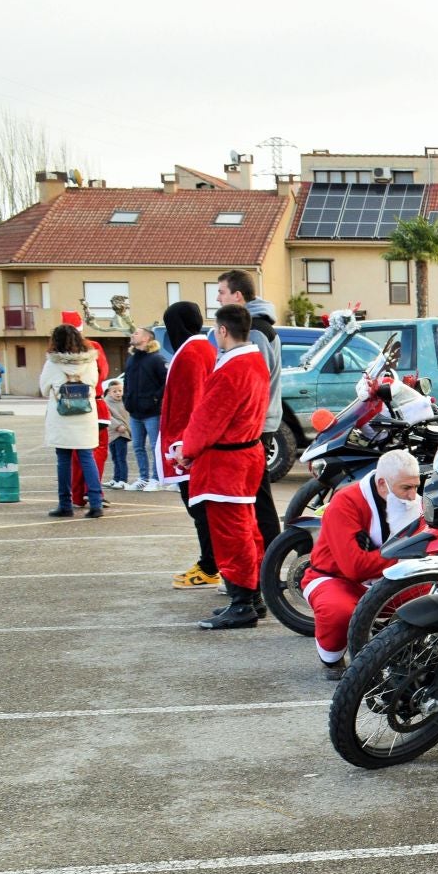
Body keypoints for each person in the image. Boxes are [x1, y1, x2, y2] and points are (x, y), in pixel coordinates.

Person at [170, 303, 270, 630]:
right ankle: (253, 597)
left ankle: (242, 604)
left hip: (226, 463)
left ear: (223, 330)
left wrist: (186, 450)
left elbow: (207, 417)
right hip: (247, 455)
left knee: (231, 534)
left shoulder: (232, 368)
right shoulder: (255, 361)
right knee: (247, 529)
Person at [302, 449, 423, 678]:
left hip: (387, 578)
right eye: (406, 488)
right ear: (382, 484)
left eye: (416, 486)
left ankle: (411, 646)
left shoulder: (415, 502)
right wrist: (403, 554)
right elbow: (354, 567)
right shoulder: (345, 502)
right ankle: (331, 658)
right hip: (334, 578)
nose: (413, 495)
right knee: (338, 612)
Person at [215, 270, 282, 549]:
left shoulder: (255, 331)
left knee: (256, 495)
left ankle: (273, 552)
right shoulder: (254, 326)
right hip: (258, 422)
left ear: (238, 295)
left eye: (221, 292)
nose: (217, 298)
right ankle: (270, 551)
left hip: (256, 425)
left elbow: (254, 381)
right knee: (254, 493)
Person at [158, 301, 221, 591]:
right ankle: (211, 562)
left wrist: (185, 446)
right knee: (202, 509)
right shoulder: (201, 348)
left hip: (188, 447)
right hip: (193, 443)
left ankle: (210, 565)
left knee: (199, 508)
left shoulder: (191, 354)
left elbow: (192, 402)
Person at [38, 323, 104, 518]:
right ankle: (96, 504)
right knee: (87, 457)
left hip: (62, 415)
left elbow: (44, 389)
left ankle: (65, 504)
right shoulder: (91, 361)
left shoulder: (52, 363)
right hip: (85, 414)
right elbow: (94, 383)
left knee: (63, 460)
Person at [59, 312, 114, 509]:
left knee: (73, 454)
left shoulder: (56, 354)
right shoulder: (93, 347)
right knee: (96, 451)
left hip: (66, 408)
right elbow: (102, 374)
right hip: (93, 405)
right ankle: (93, 492)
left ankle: (76, 495)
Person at [122, 325, 168, 491]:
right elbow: (126, 381)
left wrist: (155, 398)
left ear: (146, 338)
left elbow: (166, 381)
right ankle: (143, 478)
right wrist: (126, 398)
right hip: (134, 412)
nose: (132, 335)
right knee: (138, 446)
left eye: (136, 333)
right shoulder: (132, 359)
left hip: (152, 412)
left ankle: (156, 478)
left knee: (155, 446)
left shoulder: (156, 359)